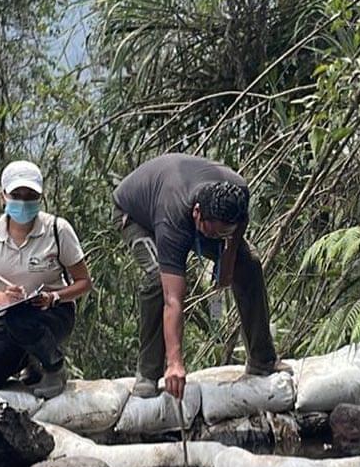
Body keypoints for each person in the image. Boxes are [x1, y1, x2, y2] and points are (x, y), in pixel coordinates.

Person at [112, 153, 288, 399]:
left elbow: (235, 236)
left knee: (249, 265)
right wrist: (175, 362)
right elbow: (172, 299)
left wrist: (227, 266)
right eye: (212, 232)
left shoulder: (237, 194)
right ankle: (148, 374)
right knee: (156, 279)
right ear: (197, 213)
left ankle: (263, 359)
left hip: (188, 206)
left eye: (223, 233)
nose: (216, 238)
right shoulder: (173, 218)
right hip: (136, 215)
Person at [0, 160, 92, 398]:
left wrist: (54, 297)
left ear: (40, 198)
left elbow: (84, 282)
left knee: (22, 319)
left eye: (29, 196)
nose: (22, 201)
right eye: (16, 195)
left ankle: (54, 367)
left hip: (52, 314)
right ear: (2, 196)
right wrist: (3, 297)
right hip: (6, 315)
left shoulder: (57, 230)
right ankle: (28, 359)